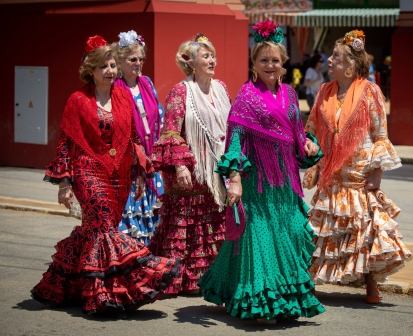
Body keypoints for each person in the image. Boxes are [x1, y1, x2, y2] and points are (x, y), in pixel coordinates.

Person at [31, 36, 179, 317]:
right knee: (103, 229)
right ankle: (102, 294)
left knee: (93, 231)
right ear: (91, 71)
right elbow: (66, 143)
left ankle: (68, 286)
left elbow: (133, 138)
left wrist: (139, 174)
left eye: (113, 65)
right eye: (104, 67)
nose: (110, 71)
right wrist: (64, 183)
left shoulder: (123, 97)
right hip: (88, 172)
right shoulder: (77, 101)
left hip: (120, 175)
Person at [199, 20, 325, 325]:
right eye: (264, 60)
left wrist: (307, 145)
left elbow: (296, 135)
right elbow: (235, 144)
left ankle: (282, 299)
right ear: (254, 63)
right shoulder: (246, 97)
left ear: (284, 64)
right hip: (257, 185)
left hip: (286, 186)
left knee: (292, 234)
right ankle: (261, 302)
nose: (271, 65)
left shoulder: (291, 95)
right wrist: (236, 181)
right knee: (262, 242)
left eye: (276, 60)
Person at [303, 30, 412, 304]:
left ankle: (371, 282)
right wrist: (310, 146)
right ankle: (309, 280)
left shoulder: (371, 91)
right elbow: (313, 128)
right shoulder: (324, 91)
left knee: (365, 230)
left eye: (336, 57)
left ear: (350, 64)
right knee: (323, 231)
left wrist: (377, 172)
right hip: (332, 171)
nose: (330, 60)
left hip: (359, 175)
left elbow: (380, 134)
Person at [148, 33, 230, 295]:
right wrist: (181, 165)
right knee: (187, 224)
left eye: (212, 55)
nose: (212, 60)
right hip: (191, 170)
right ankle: (180, 279)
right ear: (191, 63)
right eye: (206, 56)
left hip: (216, 169)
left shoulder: (222, 88)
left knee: (213, 224)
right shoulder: (180, 90)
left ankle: (211, 277)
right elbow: (170, 131)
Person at [112, 30, 165, 245]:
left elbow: (157, 117)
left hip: (151, 159)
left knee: (151, 215)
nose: (138, 63)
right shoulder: (115, 87)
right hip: (129, 163)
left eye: (141, 59)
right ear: (120, 61)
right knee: (130, 215)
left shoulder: (147, 83)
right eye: (132, 59)